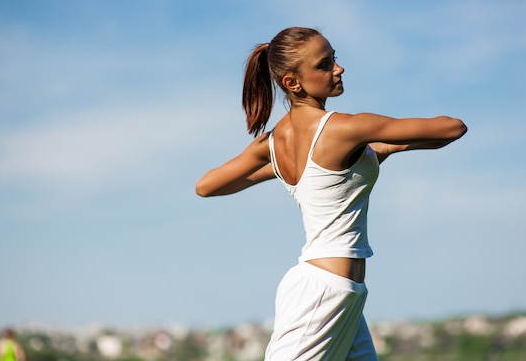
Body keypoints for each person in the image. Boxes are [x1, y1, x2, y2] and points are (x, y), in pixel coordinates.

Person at [195, 27, 467, 360]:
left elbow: (207, 185)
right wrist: (376, 142)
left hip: (345, 295)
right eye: (324, 65)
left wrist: (274, 168)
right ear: (293, 82)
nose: (338, 68)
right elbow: (452, 127)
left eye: (334, 59)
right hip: (321, 293)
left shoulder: (273, 142)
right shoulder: (346, 128)